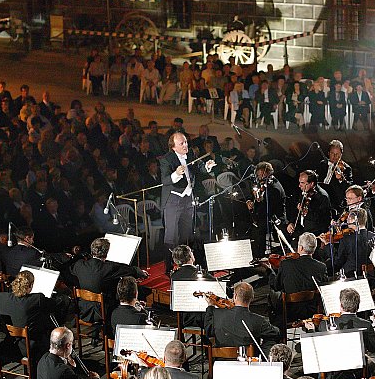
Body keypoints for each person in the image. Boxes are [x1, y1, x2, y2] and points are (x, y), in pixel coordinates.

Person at [161, 132, 216, 270]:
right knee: (171, 237)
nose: (185, 145)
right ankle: (169, 267)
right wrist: (176, 174)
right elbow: (165, 180)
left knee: (187, 234)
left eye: (186, 142)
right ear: (173, 147)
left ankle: (186, 265)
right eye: (182, 143)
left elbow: (200, 166)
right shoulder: (166, 159)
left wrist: (207, 166)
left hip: (188, 200)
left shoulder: (190, 153)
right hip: (173, 201)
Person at [0, 270, 61, 379]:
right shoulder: (37, 298)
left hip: (8, 345)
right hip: (29, 347)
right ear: (30, 285)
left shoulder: (1, 297)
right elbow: (55, 305)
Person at [70, 237, 148, 325]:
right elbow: (129, 270)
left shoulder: (79, 265)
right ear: (106, 253)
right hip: (102, 311)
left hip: (83, 309)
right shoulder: (108, 267)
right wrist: (141, 273)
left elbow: (71, 269)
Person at [205, 282, 281, 354]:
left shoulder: (218, 314)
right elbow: (275, 333)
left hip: (222, 363)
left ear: (235, 296)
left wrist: (210, 306)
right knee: (270, 339)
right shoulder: (259, 320)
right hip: (248, 362)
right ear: (252, 298)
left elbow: (208, 331)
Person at [246, 162, 287, 258]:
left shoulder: (274, 188)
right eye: (258, 176)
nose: (260, 178)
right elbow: (255, 197)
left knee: (258, 227)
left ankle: (259, 255)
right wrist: (251, 201)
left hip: (275, 218)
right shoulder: (264, 185)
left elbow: (269, 209)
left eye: (262, 175)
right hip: (266, 214)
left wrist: (256, 206)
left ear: (269, 174)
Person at [286, 170, 332, 238]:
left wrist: (304, 211)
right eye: (299, 182)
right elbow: (296, 210)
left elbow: (320, 220)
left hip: (314, 232)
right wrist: (291, 222)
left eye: (302, 183)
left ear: (312, 184)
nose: (299, 186)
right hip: (302, 228)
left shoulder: (322, 197)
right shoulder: (304, 191)